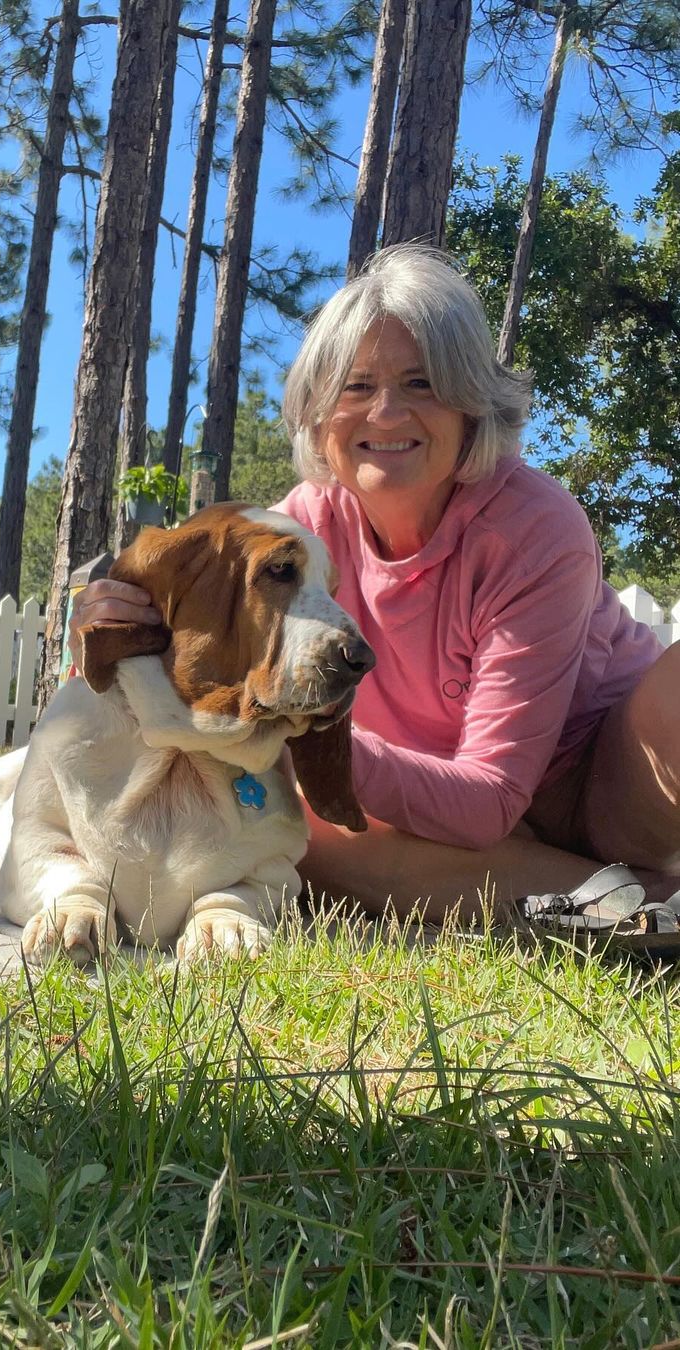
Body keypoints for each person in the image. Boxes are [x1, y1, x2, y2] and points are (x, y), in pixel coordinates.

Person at [70, 244, 680, 922]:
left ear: (472, 407)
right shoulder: (300, 529)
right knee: (296, 826)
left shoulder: (533, 526)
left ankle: (580, 890)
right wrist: (124, 623)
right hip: (435, 812)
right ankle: (633, 906)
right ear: (319, 414)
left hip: (605, 781)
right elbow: (200, 667)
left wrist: (297, 730)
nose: (386, 415)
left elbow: (487, 801)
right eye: (357, 387)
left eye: (422, 384)